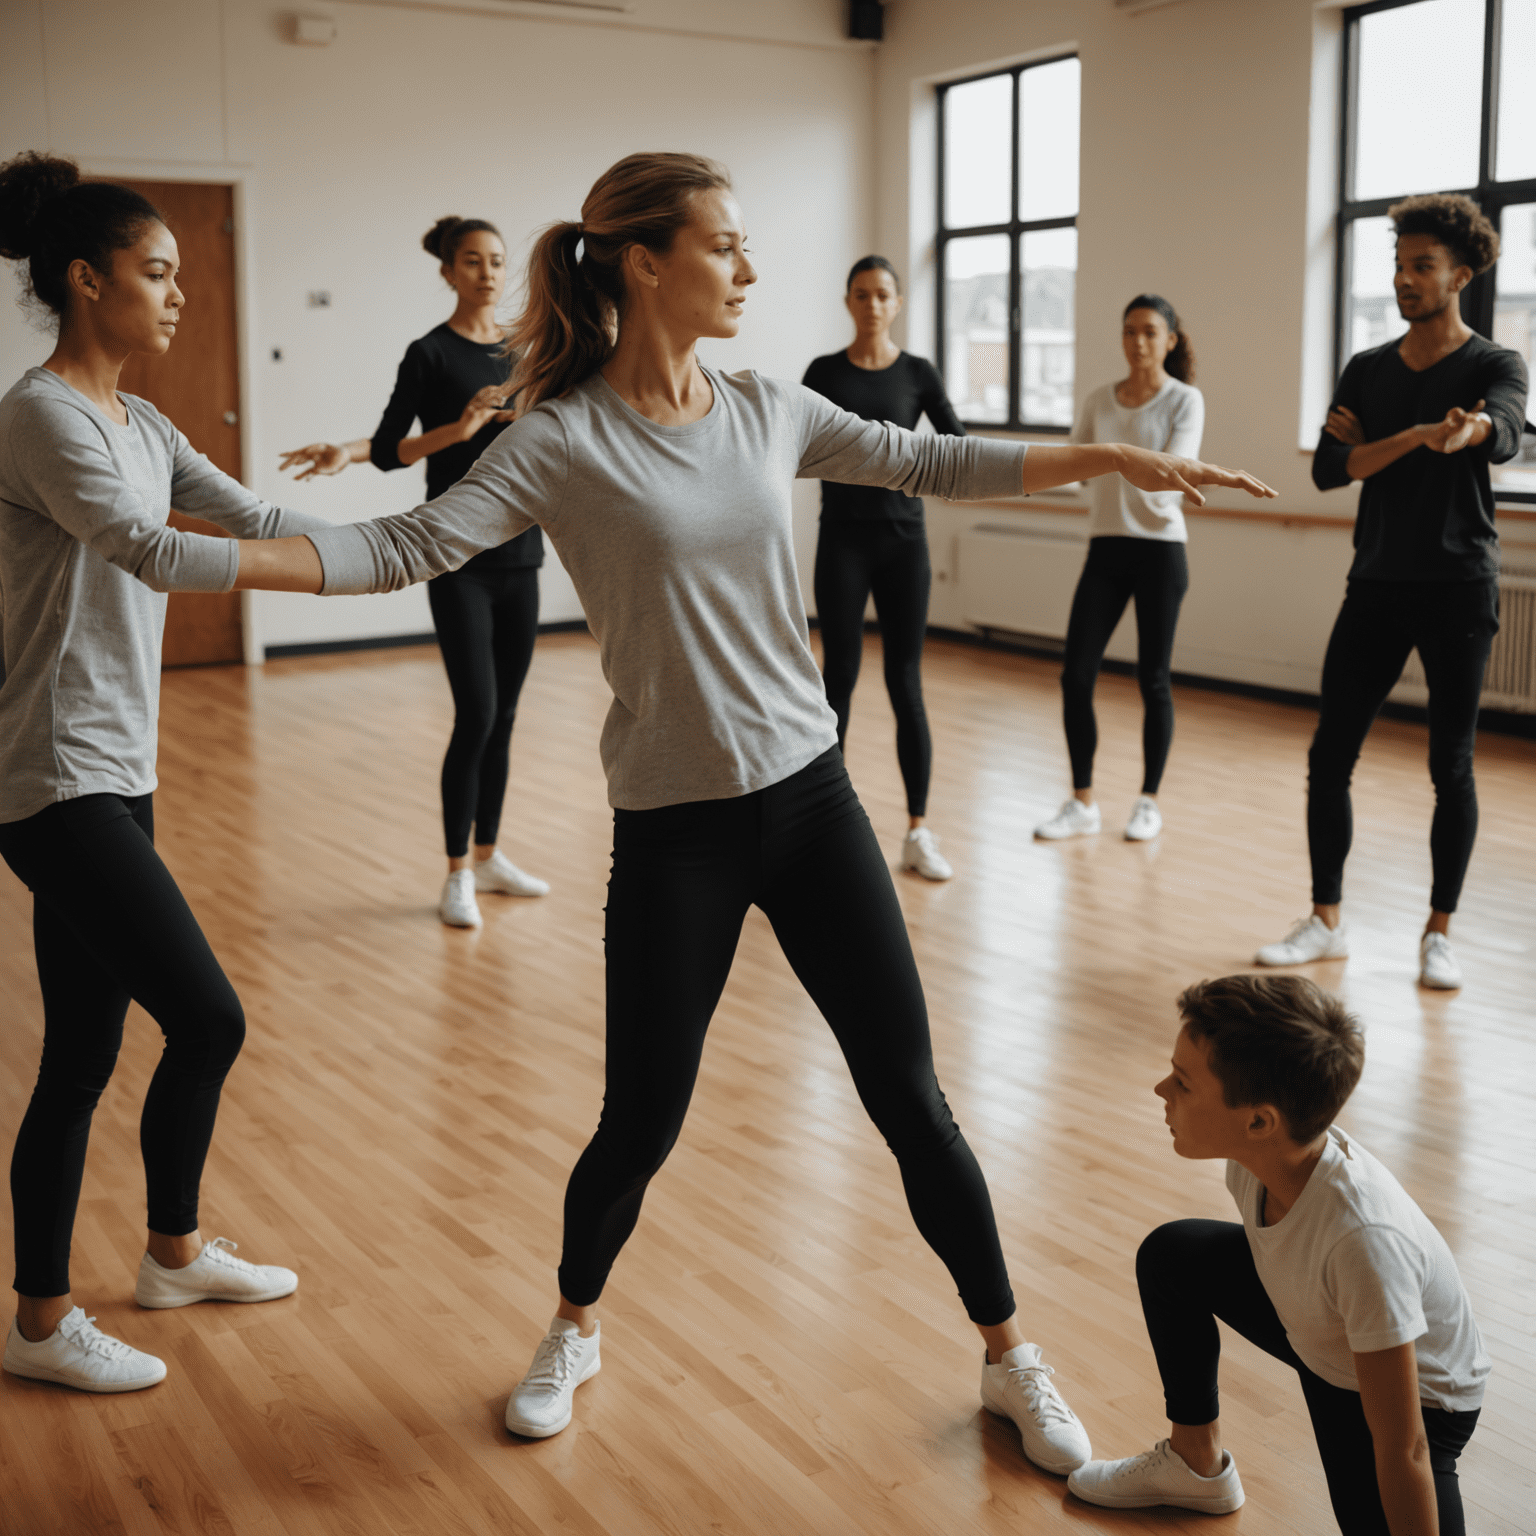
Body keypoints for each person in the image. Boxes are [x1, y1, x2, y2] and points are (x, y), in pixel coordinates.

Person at [214, 152, 1275, 1448]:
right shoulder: (559, 438)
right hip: (677, 829)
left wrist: (1117, 454)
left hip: (814, 801)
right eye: (727, 245)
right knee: (641, 1121)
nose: (751, 269)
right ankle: (574, 1323)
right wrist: (209, 554)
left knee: (912, 1100)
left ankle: (1009, 1352)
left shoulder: (770, 406)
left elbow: (933, 462)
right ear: (648, 261)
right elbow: (404, 542)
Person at [0, 152, 301, 1394]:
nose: (178, 295)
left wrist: (420, 538)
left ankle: (155, 1261)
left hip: (119, 766)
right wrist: (318, 571)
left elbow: (249, 517)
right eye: (157, 272)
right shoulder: (42, 413)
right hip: (51, 774)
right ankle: (46, 1321)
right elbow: (143, 546)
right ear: (87, 279)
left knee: (81, 1052)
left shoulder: (141, 418)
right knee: (209, 1017)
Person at [1069, 975, 1488, 1535]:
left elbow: (1404, 1446)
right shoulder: (1258, 1156)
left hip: (1413, 1400)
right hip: (1320, 1324)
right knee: (1174, 1257)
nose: (1160, 1090)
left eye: (1184, 1083)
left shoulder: (1362, 1241)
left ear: (1260, 1121)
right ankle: (1195, 1465)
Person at [1256, 194, 1528, 989]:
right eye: (1400, 265)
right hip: (1375, 581)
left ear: (1462, 275)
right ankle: (1326, 921)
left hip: (1458, 587)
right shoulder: (1368, 370)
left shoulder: (1493, 365)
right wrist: (1413, 437)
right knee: (1329, 754)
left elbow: (1507, 428)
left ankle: (1439, 931)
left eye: (1423, 267)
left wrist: (1475, 431)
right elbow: (1329, 469)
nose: (1406, 279)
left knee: (1452, 765)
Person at [279, 215, 550, 929]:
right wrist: (457, 432)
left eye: (496, 260)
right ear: (448, 272)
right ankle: (456, 871)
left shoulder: (528, 350)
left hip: (521, 553)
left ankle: (490, 855)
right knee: (478, 713)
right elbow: (394, 447)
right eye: (472, 261)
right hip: (455, 556)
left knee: (509, 717)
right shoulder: (428, 353)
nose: (488, 272)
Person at [802, 256, 965, 880]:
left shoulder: (918, 373)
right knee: (837, 678)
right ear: (849, 302)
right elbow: (799, 443)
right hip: (842, 541)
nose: (872, 305)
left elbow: (954, 444)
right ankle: (823, 831)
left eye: (883, 295)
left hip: (904, 543)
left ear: (897, 304)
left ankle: (919, 831)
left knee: (906, 682)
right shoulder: (823, 372)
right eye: (862, 295)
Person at [1034, 295, 1203, 844]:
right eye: (1130, 331)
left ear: (1170, 340)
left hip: (1159, 551)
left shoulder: (1185, 401)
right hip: (1106, 547)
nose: (1138, 342)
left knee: (1153, 680)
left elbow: (1167, 475)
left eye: (1150, 332)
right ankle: (1082, 801)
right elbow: (1074, 465)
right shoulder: (1098, 399)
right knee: (1075, 674)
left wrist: (1109, 458)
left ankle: (1148, 802)